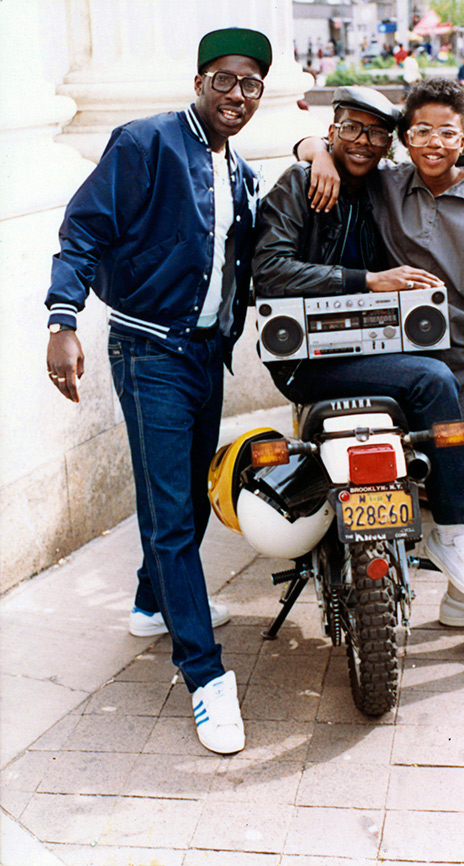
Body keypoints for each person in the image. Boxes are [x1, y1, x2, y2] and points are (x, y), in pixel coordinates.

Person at [45, 27, 273, 753]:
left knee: (186, 504)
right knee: (173, 515)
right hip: (148, 351)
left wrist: (313, 150)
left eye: (253, 86)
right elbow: (83, 230)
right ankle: (204, 677)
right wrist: (62, 321)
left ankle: (152, 602)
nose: (239, 96)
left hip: (208, 358)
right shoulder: (143, 143)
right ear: (201, 81)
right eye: (227, 81)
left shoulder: (239, 172)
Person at [299, 79, 464, 689]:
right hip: (411, 361)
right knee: (452, 488)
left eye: (446, 131)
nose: (432, 143)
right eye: (419, 132)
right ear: (404, 139)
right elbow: (320, 142)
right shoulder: (388, 185)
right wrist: (318, 151)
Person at [253, 85, 464, 614]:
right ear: (333, 130)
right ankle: (458, 531)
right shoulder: (298, 186)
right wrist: (365, 280)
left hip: (369, 350)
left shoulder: (382, 191)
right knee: (434, 383)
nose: (363, 141)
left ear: (388, 144)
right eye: (350, 128)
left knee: (452, 411)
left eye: (376, 132)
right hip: (305, 361)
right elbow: (271, 270)